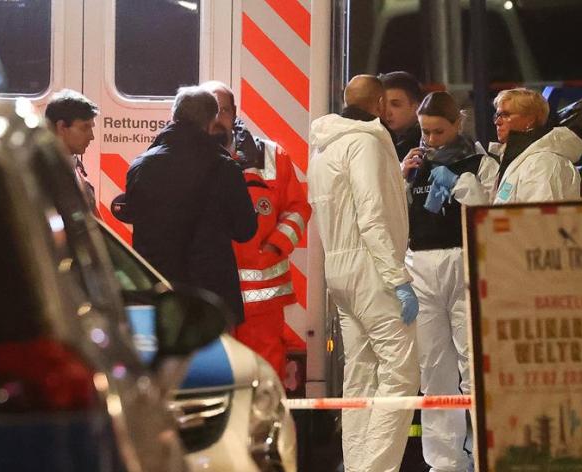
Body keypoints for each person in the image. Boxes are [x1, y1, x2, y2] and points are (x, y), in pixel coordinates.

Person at [307, 74, 420, 472]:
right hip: (371, 268)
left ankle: (357, 464)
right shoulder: (365, 143)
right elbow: (372, 217)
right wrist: (397, 279)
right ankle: (375, 468)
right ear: (378, 104)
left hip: (338, 270)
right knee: (402, 373)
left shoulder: (323, 149)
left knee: (360, 374)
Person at [400, 92, 499, 472]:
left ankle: (483, 453)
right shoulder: (414, 162)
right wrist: (402, 179)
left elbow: (487, 214)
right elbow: (396, 216)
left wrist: (461, 183)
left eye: (438, 132)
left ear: (457, 124)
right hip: (421, 263)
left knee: (472, 363)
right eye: (425, 132)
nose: (430, 140)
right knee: (434, 368)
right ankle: (444, 461)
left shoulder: (480, 162)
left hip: (464, 260)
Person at [200, 80, 311, 378]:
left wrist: (275, 245)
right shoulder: (187, 158)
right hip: (207, 294)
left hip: (261, 298)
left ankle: (263, 427)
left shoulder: (272, 156)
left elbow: (298, 209)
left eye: (222, 110)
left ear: (234, 112)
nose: (215, 118)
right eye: (209, 110)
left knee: (264, 375)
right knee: (213, 375)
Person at [123, 86, 257, 326]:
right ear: (211, 120)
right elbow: (245, 230)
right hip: (211, 299)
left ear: (173, 116)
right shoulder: (225, 168)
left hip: (160, 295)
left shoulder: (141, 166)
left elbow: (132, 214)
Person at [489, 88, 582, 203]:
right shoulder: (521, 159)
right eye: (497, 115)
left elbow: (542, 217)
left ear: (530, 120)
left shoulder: (543, 163)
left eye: (505, 115)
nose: (497, 122)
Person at [45, 89, 100, 210]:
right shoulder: (43, 175)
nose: (91, 136)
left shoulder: (74, 165)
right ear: (62, 127)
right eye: (85, 127)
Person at [380, 71, 424, 161]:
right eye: (382, 104)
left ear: (417, 108)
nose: (386, 112)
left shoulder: (424, 144)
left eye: (395, 104)